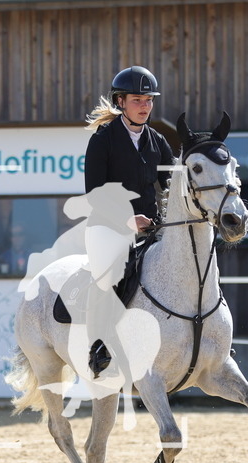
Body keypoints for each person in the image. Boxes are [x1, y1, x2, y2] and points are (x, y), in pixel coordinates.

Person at [82, 65, 174, 374]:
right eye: (137, 99)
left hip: (150, 228)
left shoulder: (158, 141)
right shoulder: (103, 140)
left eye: (149, 100)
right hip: (107, 228)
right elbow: (94, 193)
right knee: (110, 277)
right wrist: (127, 220)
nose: (145, 106)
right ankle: (99, 345)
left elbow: (173, 186)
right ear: (121, 102)